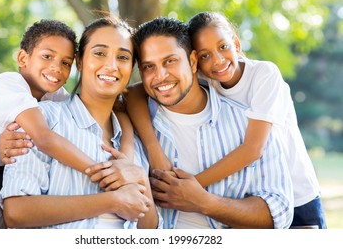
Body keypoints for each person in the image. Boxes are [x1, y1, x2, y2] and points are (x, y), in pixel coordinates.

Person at [127, 12, 326, 229]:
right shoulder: (209, 77)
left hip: (300, 192)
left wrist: (193, 191)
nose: (217, 60)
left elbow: (253, 149)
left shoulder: (263, 76)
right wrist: (153, 148)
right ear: (198, 60)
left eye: (170, 61)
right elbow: (132, 93)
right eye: (149, 66)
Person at [0, 19, 134, 229]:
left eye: (65, 63)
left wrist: (127, 156)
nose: (56, 68)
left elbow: (117, 110)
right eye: (47, 56)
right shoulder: (9, 85)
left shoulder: (52, 97)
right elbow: (45, 138)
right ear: (23, 57)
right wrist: (103, 173)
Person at [0, 17, 160, 229]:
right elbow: (16, 212)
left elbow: (151, 231)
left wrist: (140, 179)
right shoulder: (45, 120)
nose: (111, 66)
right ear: (79, 61)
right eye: (100, 53)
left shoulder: (133, 142)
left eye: (122, 57)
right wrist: (112, 201)